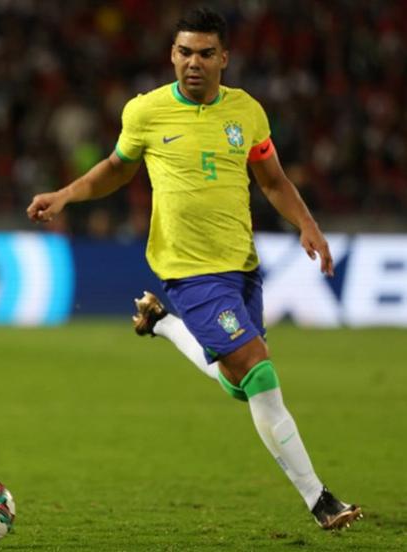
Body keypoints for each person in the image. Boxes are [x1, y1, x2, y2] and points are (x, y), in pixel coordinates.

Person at [27, 7, 362, 531]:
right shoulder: (146, 112)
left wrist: (307, 224)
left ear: (224, 58)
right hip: (188, 270)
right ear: (172, 55)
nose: (194, 63)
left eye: (206, 54)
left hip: (242, 266)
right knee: (259, 368)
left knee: (237, 384)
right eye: (185, 52)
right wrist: (67, 195)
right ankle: (320, 499)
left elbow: (272, 180)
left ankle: (161, 323)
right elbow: (116, 169)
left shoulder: (246, 111)